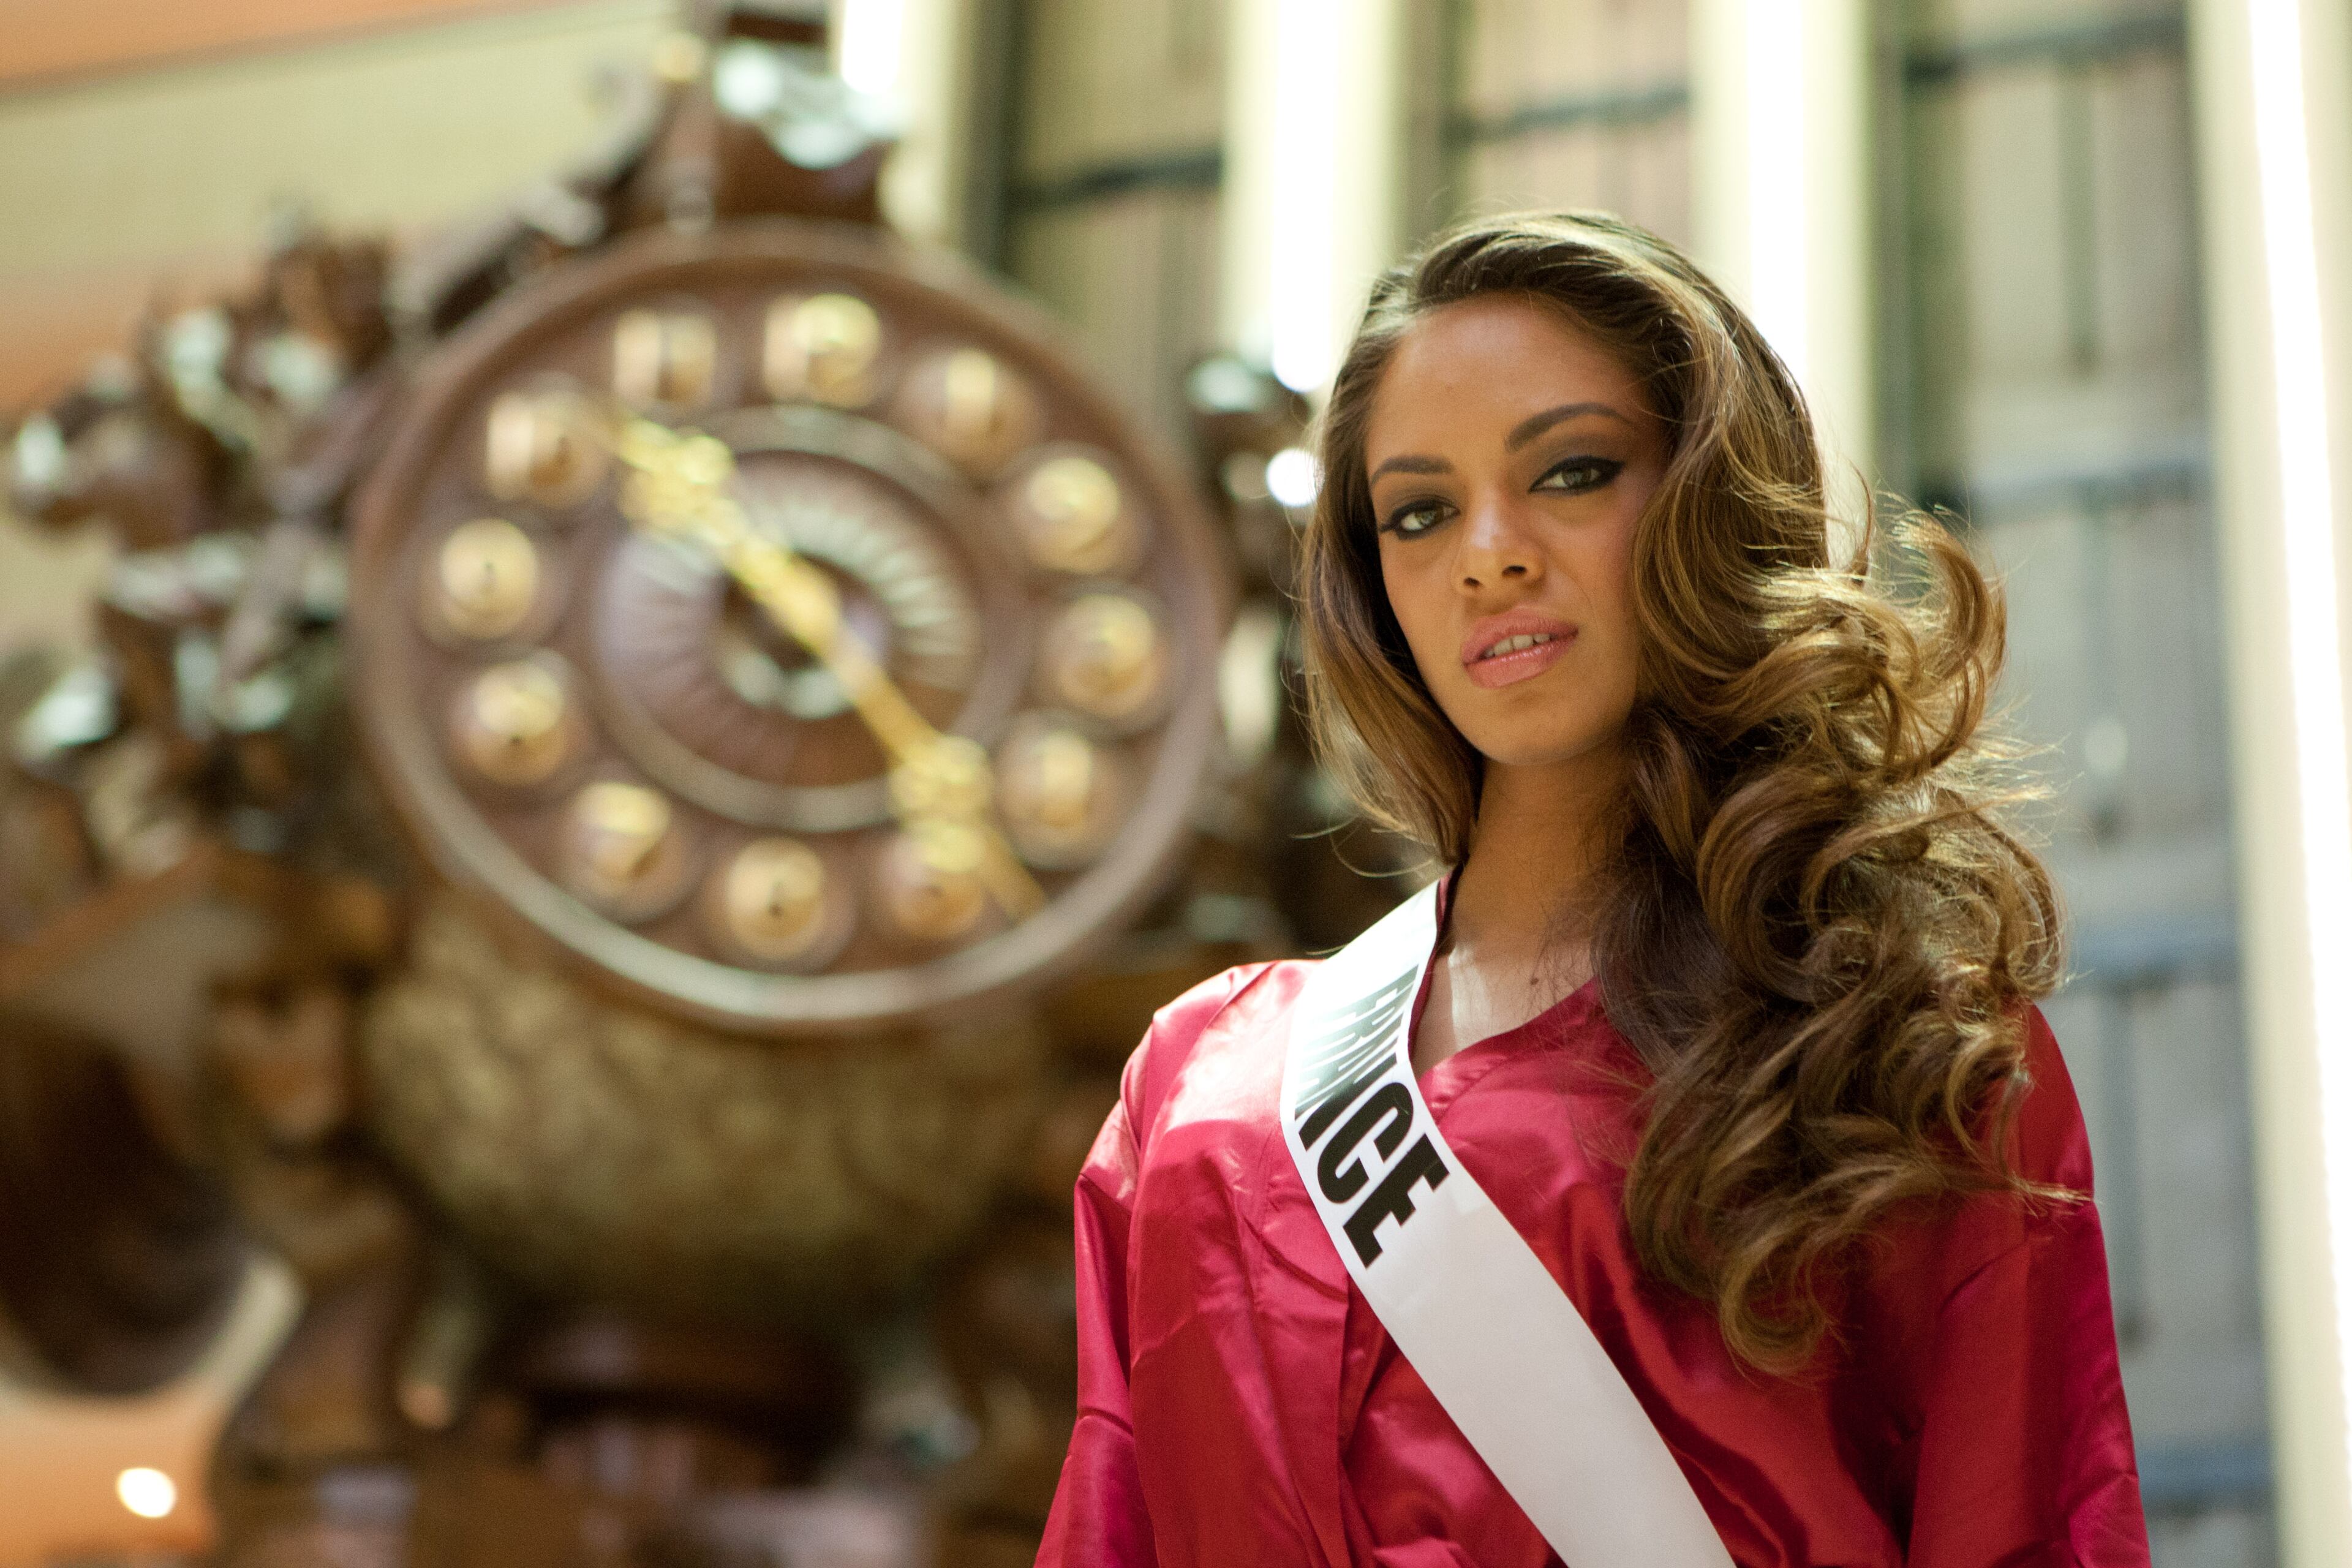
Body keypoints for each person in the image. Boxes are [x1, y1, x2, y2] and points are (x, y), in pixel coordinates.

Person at [1035, 211, 2149, 1568]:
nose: (1487, 552)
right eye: (1420, 510)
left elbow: (2024, 1524)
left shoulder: (1898, 1043)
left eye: (1570, 472)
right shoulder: (1202, 1080)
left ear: (1701, 501)